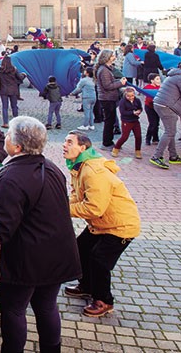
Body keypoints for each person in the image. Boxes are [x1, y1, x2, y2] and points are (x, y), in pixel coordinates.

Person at [0, 117, 80, 353]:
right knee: (47, 306)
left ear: (17, 147)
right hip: (56, 254)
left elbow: (1, 228)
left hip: (25, 259)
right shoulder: (51, 168)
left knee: (14, 310)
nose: (5, 138)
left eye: (8, 136)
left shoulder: (11, 177)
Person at [62, 130, 141, 317]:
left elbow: (94, 208)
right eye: (65, 141)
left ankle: (103, 300)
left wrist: (62, 210)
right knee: (81, 248)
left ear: (83, 147)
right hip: (102, 225)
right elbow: (76, 194)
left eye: (69, 142)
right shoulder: (79, 166)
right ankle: (87, 286)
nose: (64, 145)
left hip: (121, 226)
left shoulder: (93, 171)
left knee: (99, 260)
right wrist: (63, 204)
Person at [149, 62, 181, 169]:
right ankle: (156, 156)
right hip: (166, 105)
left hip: (161, 103)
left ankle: (173, 156)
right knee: (170, 131)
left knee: (170, 131)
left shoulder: (174, 75)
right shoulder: (179, 77)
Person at [95, 50, 127, 149]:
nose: (114, 57)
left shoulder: (107, 69)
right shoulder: (104, 70)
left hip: (109, 98)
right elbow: (107, 85)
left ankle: (109, 141)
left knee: (111, 120)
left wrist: (118, 81)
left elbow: (110, 82)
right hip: (107, 98)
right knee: (109, 121)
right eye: (112, 56)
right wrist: (120, 83)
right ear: (107, 58)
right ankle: (106, 143)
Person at [112, 87, 143, 159]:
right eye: (128, 96)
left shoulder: (137, 100)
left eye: (132, 96)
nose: (130, 97)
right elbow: (123, 112)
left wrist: (139, 111)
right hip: (126, 121)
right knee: (125, 137)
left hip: (135, 120)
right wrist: (132, 112)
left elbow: (140, 107)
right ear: (125, 95)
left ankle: (138, 150)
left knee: (138, 136)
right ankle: (116, 148)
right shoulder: (122, 102)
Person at [0, 54, 25, 128]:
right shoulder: (14, 69)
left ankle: (5, 122)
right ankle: (16, 121)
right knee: (14, 106)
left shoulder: (0, 70)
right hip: (13, 89)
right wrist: (24, 75)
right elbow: (20, 77)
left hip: (3, 90)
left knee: (4, 107)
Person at [143, 73, 161, 146]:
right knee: (152, 123)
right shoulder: (148, 87)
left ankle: (155, 138)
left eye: (159, 79)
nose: (159, 80)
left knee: (157, 123)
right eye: (157, 79)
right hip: (150, 107)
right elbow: (150, 99)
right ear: (152, 80)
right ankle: (148, 138)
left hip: (157, 107)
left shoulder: (159, 87)